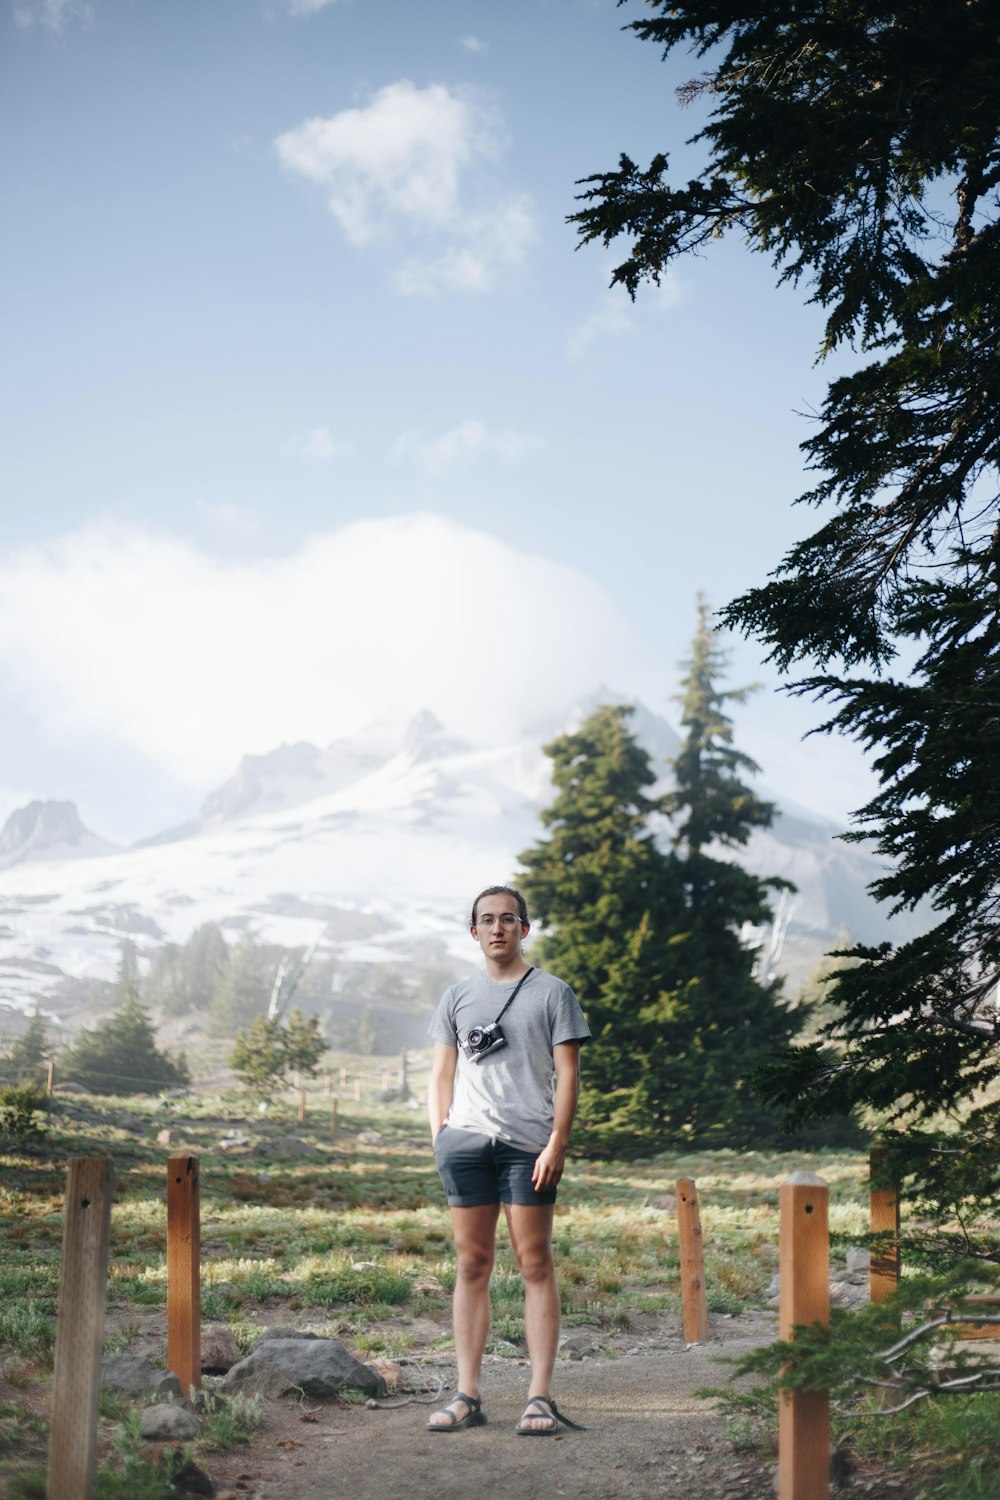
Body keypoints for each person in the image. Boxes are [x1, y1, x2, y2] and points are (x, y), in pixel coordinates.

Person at [425, 884, 591, 1436]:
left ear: (525, 928)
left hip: (528, 1148)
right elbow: (441, 1075)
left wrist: (557, 1142)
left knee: (534, 1263)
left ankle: (538, 1397)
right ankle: (467, 1395)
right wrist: (440, 1137)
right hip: (465, 1145)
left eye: (509, 919)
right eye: (487, 920)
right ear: (473, 932)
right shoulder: (455, 997)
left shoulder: (553, 993)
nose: (498, 928)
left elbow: (567, 1074)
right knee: (472, 1265)